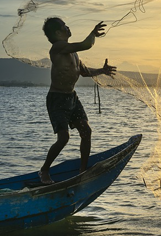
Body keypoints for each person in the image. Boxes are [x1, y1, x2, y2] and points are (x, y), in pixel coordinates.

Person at [38, 17, 116, 185]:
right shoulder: (58, 48)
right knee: (63, 138)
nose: (68, 27)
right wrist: (93, 34)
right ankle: (44, 170)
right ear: (58, 33)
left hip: (72, 97)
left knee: (86, 131)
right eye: (64, 26)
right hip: (57, 99)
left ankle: (82, 170)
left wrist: (102, 70)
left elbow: (85, 72)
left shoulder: (73, 52)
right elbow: (86, 44)